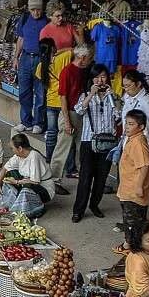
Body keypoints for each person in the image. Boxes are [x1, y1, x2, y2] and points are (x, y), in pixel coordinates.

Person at [71, 63, 120, 223]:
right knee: (85, 178)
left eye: (103, 76)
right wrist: (91, 95)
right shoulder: (85, 95)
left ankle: (94, 205)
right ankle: (78, 210)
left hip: (107, 143)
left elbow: (120, 117)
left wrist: (114, 98)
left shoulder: (113, 96)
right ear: (91, 79)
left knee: (101, 178)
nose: (100, 80)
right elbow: (79, 110)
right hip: (88, 142)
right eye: (97, 77)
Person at [50, 44, 93, 193]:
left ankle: (85, 177)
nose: (89, 60)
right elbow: (63, 98)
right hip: (69, 112)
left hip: (80, 112)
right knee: (62, 148)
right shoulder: (67, 71)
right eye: (88, 58)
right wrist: (67, 121)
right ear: (82, 58)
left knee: (84, 148)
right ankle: (54, 180)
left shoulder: (82, 71)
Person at [117, 109, 149, 248]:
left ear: (141, 127)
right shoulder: (133, 139)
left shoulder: (139, 143)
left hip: (134, 192)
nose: (126, 127)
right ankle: (130, 243)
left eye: (131, 124)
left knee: (133, 222)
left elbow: (144, 166)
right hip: (128, 189)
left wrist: (139, 186)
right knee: (129, 220)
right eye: (126, 123)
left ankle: (131, 247)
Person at [14, 0, 49, 133]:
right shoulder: (24, 19)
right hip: (25, 58)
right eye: (33, 9)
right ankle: (25, 121)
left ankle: (38, 123)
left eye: (38, 9)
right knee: (24, 92)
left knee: (40, 92)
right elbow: (20, 39)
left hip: (41, 59)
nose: (36, 12)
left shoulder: (47, 22)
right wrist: (15, 57)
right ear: (29, 9)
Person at [0, 134, 55, 215]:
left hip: (44, 188)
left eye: (12, 148)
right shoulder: (18, 156)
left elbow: (35, 182)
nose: (12, 150)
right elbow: (5, 169)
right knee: (9, 174)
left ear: (20, 148)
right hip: (26, 182)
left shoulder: (34, 156)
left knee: (27, 188)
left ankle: (37, 207)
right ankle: (16, 200)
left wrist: (16, 182)